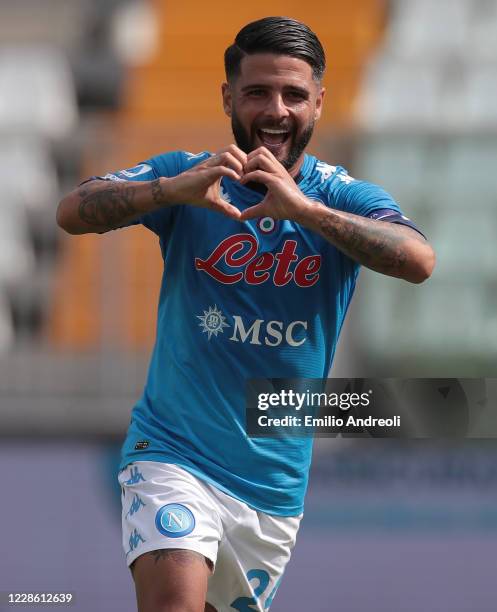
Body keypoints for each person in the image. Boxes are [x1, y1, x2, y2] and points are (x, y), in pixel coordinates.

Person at [57, 16, 435, 612]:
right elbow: (72, 210)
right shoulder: (189, 177)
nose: (276, 110)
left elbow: (417, 259)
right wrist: (169, 192)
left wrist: (304, 211)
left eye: (294, 94)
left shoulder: (339, 196)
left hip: (272, 490)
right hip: (173, 453)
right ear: (228, 96)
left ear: (318, 103)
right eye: (257, 91)